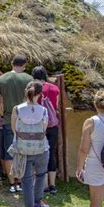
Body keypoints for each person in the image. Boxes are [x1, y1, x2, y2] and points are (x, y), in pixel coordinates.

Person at [11, 80, 50, 207]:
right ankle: (37, 201)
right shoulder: (44, 110)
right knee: (40, 175)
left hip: (23, 149)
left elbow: (14, 128)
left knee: (26, 182)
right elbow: (44, 128)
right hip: (41, 148)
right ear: (40, 94)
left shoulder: (17, 109)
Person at [0, 54, 33, 193]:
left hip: (8, 119)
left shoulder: (2, 79)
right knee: (24, 151)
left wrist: (2, 113)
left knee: (8, 152)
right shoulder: (29, 79)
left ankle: (12, 183)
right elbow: (33, 100)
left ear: (12, 63)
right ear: (24, 65)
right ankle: (21, 182)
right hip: (26, 120)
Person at [31, 66, 60, 194]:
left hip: (38, 125)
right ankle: (52, 185)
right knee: (51, 154)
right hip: (52, 125)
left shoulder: (33, 88)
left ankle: (43, 184)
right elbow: (56, 107)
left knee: (38, 154)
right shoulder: (54, 88)